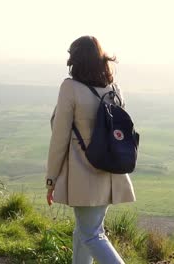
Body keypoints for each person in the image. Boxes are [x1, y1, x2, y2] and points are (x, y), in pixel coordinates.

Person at [45, 36, 136, 264]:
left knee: (92, 235)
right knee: (84, 232)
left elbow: (59, 136)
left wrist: (51, 179)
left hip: (84, 175)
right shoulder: (114, 89)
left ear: (76, 60)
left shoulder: (70, 88)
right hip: (111, 171)